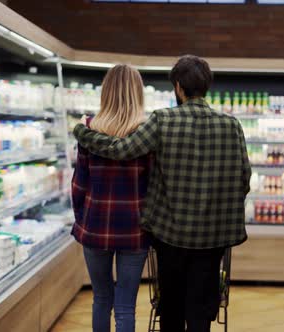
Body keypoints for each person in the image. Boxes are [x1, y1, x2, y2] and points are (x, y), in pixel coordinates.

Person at [73, 55, 251, 332]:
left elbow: (119, 152)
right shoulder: (232, 125)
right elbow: (244, 179)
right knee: (201, 306)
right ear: (208, 86)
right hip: (213, 237)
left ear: (178, 87)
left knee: (169, 306)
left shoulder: (163, 120)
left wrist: (82, 132)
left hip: (169, 235)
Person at [71, 64, 151, 332]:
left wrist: (82, 219)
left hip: (95, 226)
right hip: (135, 229)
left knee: (101, 298)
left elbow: (79, 184)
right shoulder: (147, 130)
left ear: (105, 92)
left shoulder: (90, 129)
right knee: (126, 304)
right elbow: (154, 184)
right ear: (137, 92)